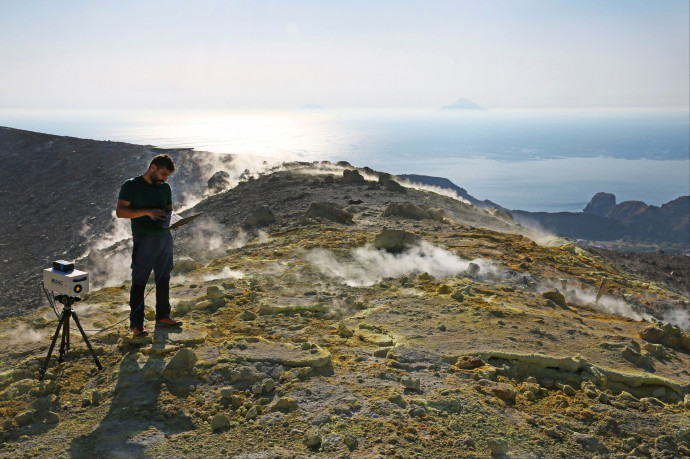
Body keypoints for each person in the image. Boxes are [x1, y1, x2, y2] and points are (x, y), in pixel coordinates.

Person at [116, 154, 183, 337]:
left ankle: (163, 316)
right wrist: (147, 211)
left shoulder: (165, 187)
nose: (165, 179)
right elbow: (121, 211)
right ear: (153, 167)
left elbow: (169, 210)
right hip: (143, 240)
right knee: (139, 283)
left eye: (168, 176)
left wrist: (174, 221)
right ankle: (137, 325)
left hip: (165, 239)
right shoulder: (131, 185)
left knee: (164, 278)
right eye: (163, 174)